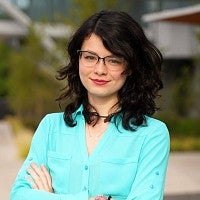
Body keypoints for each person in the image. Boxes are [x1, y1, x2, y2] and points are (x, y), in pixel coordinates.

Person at [10, 10, 170, 200]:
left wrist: (49, 197)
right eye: (90, 57)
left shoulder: (152, 135)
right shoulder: (50, 128)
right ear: (77, 60)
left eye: (114, 60)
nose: (100, 70)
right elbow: (20, 195)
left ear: (131, 67)